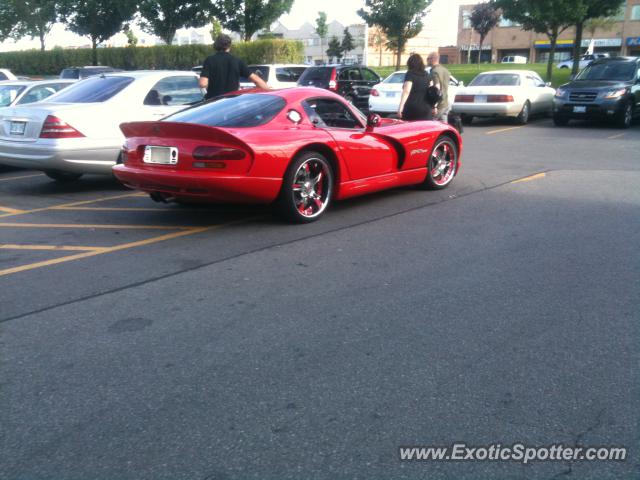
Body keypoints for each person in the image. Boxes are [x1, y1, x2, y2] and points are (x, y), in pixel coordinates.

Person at [199, 34, 269, 99]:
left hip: (214, 102)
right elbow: (256, 80)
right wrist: (271, 91)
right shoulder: (237, 61)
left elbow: (203, 83)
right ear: (229, 46)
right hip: (232, 103)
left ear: (216, 45)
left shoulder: (209, 60)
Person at [397, 53, 433, 121]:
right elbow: (432, 91)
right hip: (426, 108)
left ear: (410, 64)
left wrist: (400, 107)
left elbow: (406, 91)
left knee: (411, 129)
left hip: (412, 108)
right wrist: (434, 106)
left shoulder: (410, 74)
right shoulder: (427, 75)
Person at [427, 51, 451, 123]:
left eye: (428, 58)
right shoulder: (445, 70)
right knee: (444, 126)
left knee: (430, 124)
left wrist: (434, 106)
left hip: (439, 105)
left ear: (432, 59)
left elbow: (436, 88)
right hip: (446, 102)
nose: (427, 60)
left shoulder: (434, 71)